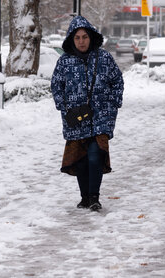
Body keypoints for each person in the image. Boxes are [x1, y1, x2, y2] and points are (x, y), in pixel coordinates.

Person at [51, 16, 124, 212]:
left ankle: (94, 197)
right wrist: (63, 106)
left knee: (95, 156)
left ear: (91, 37)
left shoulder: (104, 58)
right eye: (77, 38)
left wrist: (114, 103)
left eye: (84, 37)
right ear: (71, 40)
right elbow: (56, 86)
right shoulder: (64, 62)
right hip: (75, 118)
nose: (82, 41)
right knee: (81, 161)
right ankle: (85, 197)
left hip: (101, 116)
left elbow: (117, 80)